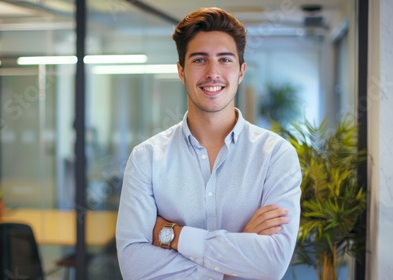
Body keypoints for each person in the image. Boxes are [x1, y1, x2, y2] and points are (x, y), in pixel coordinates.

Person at [116, 7, 302, 280]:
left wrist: (173, 235)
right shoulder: (146, 158)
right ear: (181, 71)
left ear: (241, 71)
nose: (213, 72)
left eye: (225, 60)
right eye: (199, 60)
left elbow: (272, 264)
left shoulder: (276, 155)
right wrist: (235, 263)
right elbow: (134, 266)